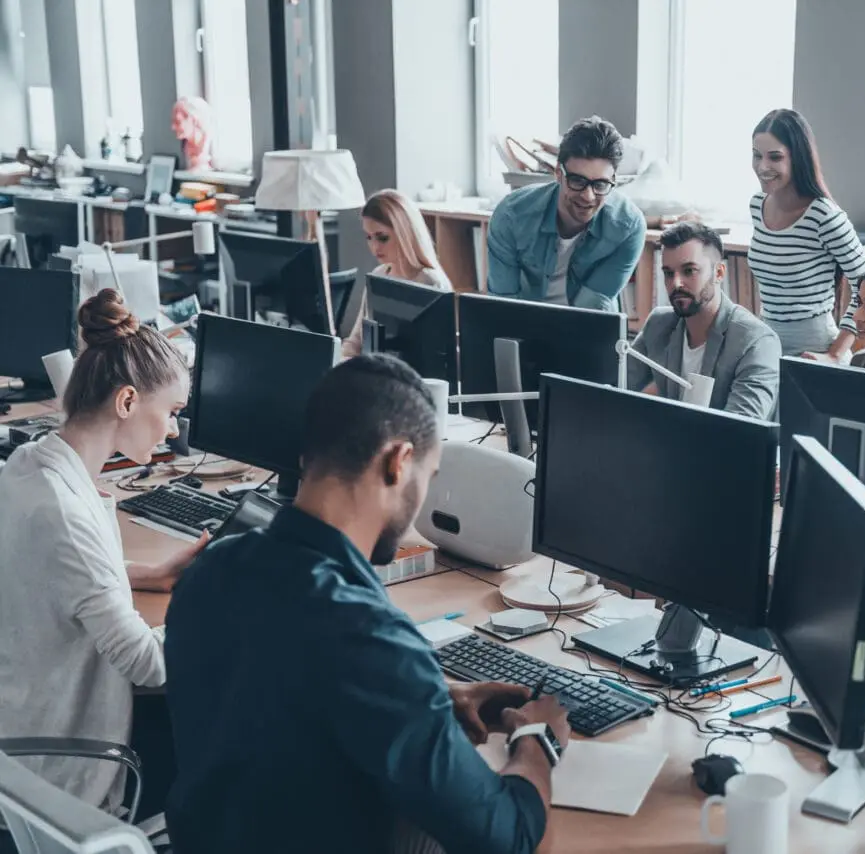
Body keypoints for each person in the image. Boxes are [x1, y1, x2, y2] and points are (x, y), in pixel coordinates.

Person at [164, 355, 568, 854]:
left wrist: (432, 697)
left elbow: (282, 678)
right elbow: (512, 840)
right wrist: (537, 740)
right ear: (398, 461)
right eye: (429, 473)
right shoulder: (369, 636)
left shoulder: (212, 570)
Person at [0, 290, 204, 814]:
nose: (175, 430)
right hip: (58, 767)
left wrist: (142, 573)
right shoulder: (62, 513)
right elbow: (146, 662)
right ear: (128, 401)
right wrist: (230, 620)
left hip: (24, 716)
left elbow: (45, 571)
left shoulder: (30, 463)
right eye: (173, 411)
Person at [486, 116, 646, 310]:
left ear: (614, 180)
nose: (588, 196)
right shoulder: (511, 216)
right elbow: (503, 305)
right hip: (523, 325)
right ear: (558, 174)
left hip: (589, 328)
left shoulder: (628, 227)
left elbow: (594, 307)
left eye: (600, 184)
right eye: (578, 181)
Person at [747, 108, 865, 358]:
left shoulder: (823, 215)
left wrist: (835, 355)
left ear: (798, 158)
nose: (763, 166)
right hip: (766, 342)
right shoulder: (756, 205)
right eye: (757, 156)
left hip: (815, 348)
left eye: (775, 157)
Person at [628, 222, 781, 420]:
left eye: (689, 271)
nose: (676, 283)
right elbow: (616, 387)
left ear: (718, 273)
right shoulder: (659, 324)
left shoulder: (756, 342)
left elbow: (741, 430)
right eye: (668, 273)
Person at [342, 189, 453, 357]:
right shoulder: (379, 275)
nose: (374, 247)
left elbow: (437, 356)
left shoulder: (430, 283)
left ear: (404, 232)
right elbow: (356, 341)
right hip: (376, 372)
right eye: (369, 237)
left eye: (382, 237)